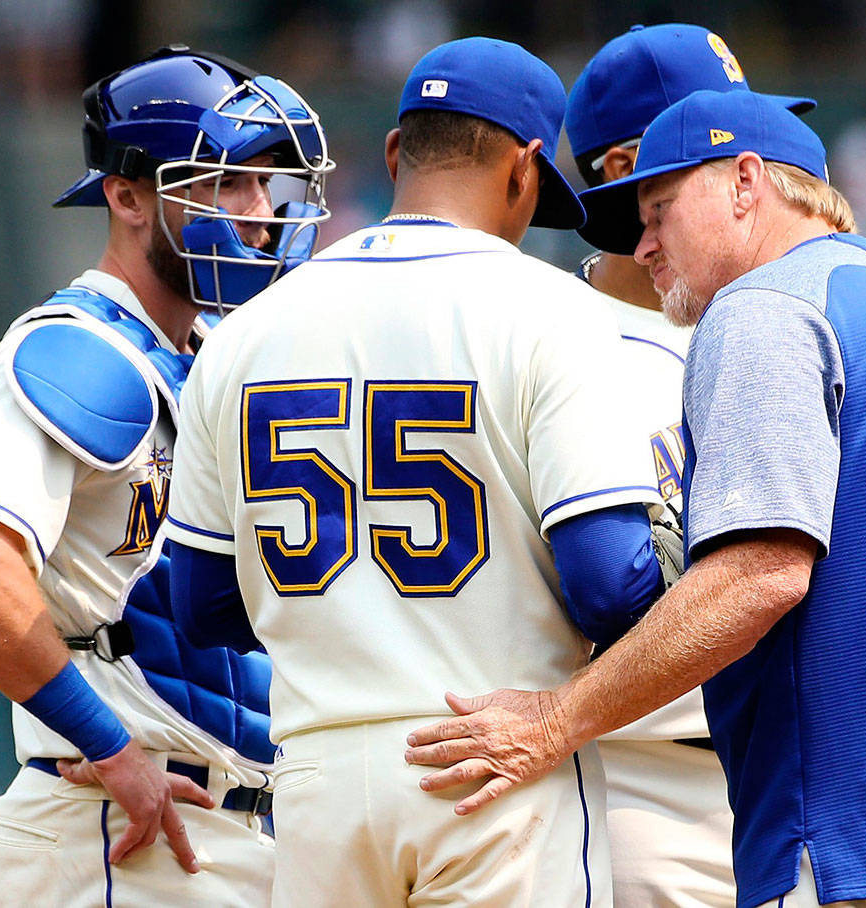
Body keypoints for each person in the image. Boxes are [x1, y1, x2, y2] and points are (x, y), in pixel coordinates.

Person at [405, 89, 866, 908]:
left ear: (746, 183)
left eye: (658, 210)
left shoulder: (765, 305)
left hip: (850, 846)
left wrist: (553, 721)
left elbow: (760, 575)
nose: (644, 246)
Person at [164, 36, 671, 908]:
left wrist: (355, 624)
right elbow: (609, 587)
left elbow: (201, 604)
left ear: (398, 152)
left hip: (318, 775)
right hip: (494, 767)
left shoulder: (243, 331)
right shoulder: (556, 311)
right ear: (526, 169)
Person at [0, 45, 333, 906]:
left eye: (265, 184)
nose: (259, 213)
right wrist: (109, 747)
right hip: (119, 829)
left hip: (223, 828)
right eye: (224, 183)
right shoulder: (80, 350)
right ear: (127, 195)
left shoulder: (204, 355)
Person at [564, 24, 815, 908]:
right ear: (630, 168)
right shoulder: (550, 339)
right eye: (728, 145)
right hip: (633, 786)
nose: (759, 172)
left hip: (783, 788)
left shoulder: (778, 324)